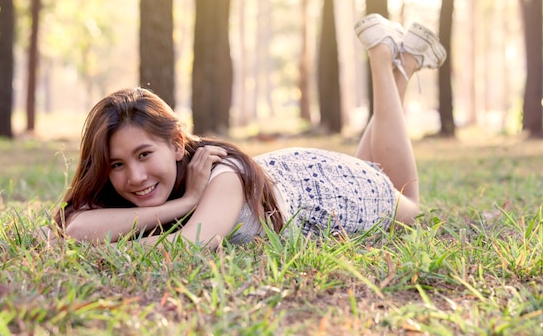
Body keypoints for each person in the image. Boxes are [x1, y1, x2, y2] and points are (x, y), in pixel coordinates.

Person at [51, 14, 446, 248]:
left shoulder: (220, 178)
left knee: (407, 200)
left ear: (175, 143)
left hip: (331, 193)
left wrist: (190, 205)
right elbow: (77, 228)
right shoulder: (177, 188)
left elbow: (193, 247)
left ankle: (384, 60)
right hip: (298, 174)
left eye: (143, 155)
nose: (134, 177)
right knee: (374, 167)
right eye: (117, 164)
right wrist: (185, 203)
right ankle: (405, 61)